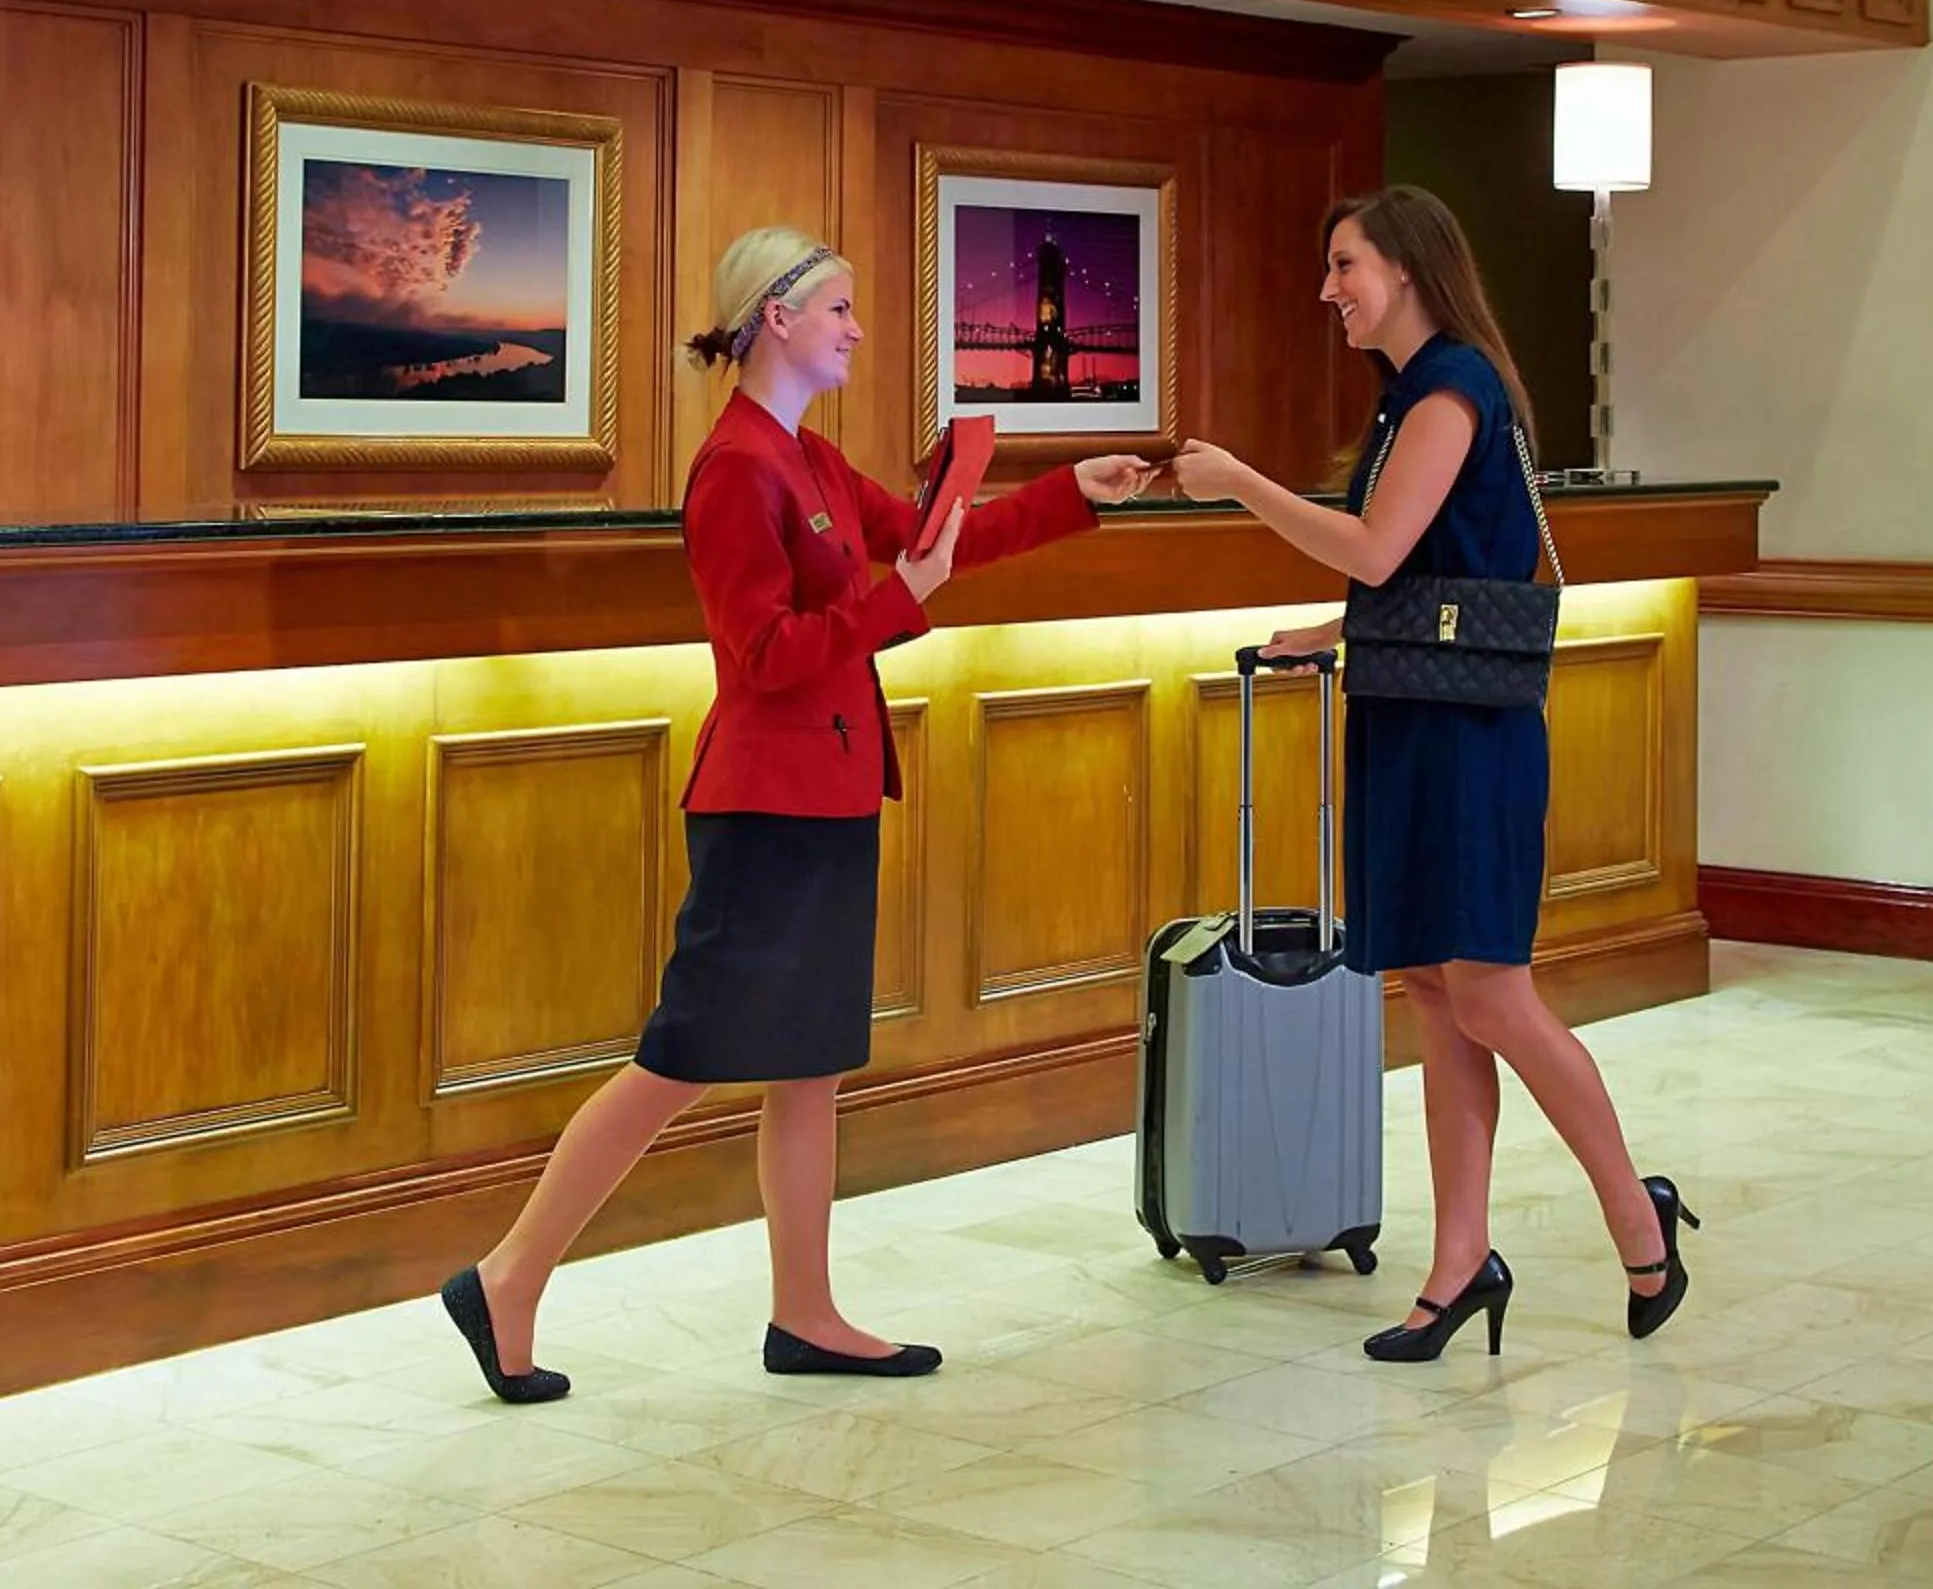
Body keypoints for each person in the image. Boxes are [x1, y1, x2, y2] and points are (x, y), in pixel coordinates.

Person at [441, 225, 1154, 1403]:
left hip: (826, 793)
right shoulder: (736, 470)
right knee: (679, 1057)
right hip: (764, 805)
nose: (856, 329)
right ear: (776, 317)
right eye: (838, 309)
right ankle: (508, 1276)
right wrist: (896, 603)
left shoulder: (813, 463)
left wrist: (1073, 493)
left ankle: (805, 1311)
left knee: (812, 1063)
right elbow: (765, 658)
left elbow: (934, 540)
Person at [1165, 185, 1698, 1362]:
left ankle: (1634, 1210)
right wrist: (1339, 631)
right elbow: (1427, 578)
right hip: (1411, 718)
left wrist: (1240, 481)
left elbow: (1375, 547)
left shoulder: (1452, 387)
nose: (1328, 290)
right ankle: (1460, 1262)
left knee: (1493, 992)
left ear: (1404, 266)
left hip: (1468, 739)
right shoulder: (1415, 396)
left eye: (1343, 264)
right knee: (1431, 990)